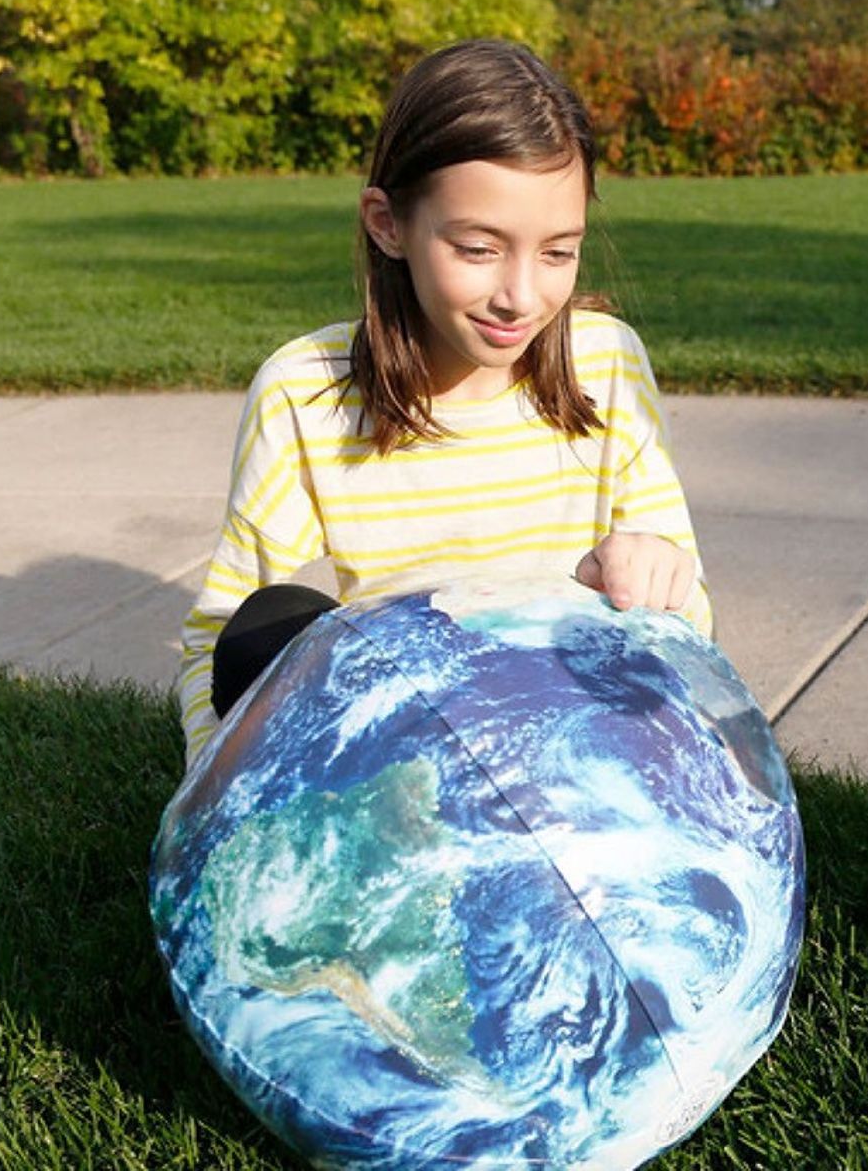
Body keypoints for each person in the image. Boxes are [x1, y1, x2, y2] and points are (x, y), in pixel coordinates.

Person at [176, 39, 712, 763]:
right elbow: (220, 637)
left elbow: (689, 629)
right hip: (407, 742)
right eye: (478, 248)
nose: (521, 297)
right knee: (269, 627)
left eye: (557, 251)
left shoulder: (607, 364)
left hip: (564, 728)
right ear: (388, 224)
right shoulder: (306, 392)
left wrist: (653, 572)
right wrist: (214, 797)